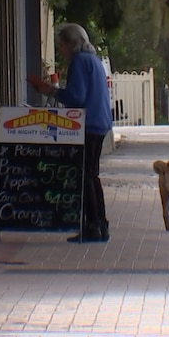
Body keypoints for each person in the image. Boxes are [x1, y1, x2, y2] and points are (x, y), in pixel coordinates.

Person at [31, 23, 113, 243]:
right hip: (101, 121)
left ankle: (92, 225)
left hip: (88, 123)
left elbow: (76, 97)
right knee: (92, 175)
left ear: (70, 43)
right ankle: (100, 224)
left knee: (85, 176)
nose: (61, 51)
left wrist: (51, 91)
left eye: (61, 46)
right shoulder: (93, 61)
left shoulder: (78, 62)